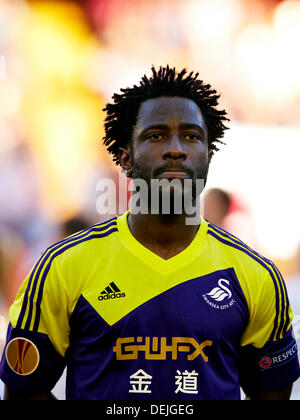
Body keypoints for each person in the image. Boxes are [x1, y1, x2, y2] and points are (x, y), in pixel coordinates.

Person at [0, 66, 299, 400]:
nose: (176, 149)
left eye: (192, 136)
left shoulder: (255, 275)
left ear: (209, 157)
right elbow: (23, 390)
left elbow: (273, 394)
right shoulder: (64, 266)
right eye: (156, 135)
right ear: (125, 157)